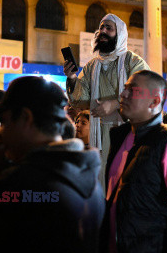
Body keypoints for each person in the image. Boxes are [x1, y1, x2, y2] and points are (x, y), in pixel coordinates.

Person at [0, 76, 105, 253]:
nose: (1, 132)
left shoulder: (22, 184)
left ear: (25, 118)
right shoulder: (89, 180)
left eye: (6, 122)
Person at [103, 70, 167, 253]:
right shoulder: (120, 137)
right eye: (124, 89)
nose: (123, 94)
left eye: (132, 90)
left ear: (155, 101)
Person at [64, 13, 150, 186]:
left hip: (129, 132)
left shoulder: (132, 62)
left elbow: (146, 93)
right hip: (100, 135)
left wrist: (115, 104)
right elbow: (81, 100)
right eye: (101, 27)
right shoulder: (92, 66)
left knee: (126, 181)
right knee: (103, 180)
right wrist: (73, 77)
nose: (102, 31)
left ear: (120, 35)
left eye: (108, 28)